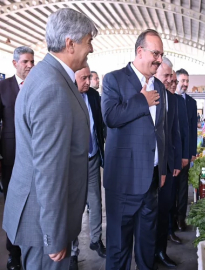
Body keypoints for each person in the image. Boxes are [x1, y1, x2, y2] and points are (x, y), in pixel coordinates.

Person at [2, 8, 97, 270]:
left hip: (44, 215)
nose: (91, 49)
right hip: (45, 222)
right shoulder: (52, 88)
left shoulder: (49, 77)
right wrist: (54, 237)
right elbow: (49, 170)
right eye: (88, 41)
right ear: (70, 43)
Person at [101, 29, 167, 270]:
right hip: (123, 182)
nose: (159, 59)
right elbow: (110, 117)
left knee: (147, 246)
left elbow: (161, 130)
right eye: (156, 53)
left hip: (150, 180)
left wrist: (162, 168)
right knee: (119, 248)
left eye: (161, 54)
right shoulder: (113, 79)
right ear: (140, 51)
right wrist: (142, 101)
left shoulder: (159, 85)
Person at [0, 46, 34, 270]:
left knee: (32, 206)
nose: (30, 65)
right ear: (14, 64)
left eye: (32, 61)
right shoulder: (3, 87)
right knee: (13, 206)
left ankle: (31, 247)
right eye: (25, 62)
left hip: (35, 159)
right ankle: (13, 252)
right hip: (11, 159)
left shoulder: (38, 86)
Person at [70, 66, 106, 270]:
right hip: (73, 162)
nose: (88, 81)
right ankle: (73, 251)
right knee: (75, 206)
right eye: (83, 78)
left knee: (95, 201)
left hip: (92, 158)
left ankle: (96, 240)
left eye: (88, 77)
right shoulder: (67, 94)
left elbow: (99, 125)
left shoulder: (93, 95)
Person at [154, 57, 182, 268]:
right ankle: (147, 254)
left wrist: (174, 164)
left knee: (164, 211)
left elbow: (174, 134)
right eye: (166, 75)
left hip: (166, 166)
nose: (170, 79)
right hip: (148, 166)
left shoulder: (171, 99)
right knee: (148, 215)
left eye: (171, 75)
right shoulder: (146, 96)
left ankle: (161, 251)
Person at [175, 68, 197, 231]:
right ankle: (170, 221)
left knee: (183, 189)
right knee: (171, 189)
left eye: (187, 81)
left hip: (185, 154)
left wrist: (192, 153)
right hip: (172, 152)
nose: (185, 84)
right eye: (182, 81)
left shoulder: (191, 103)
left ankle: (181, 219)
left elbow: (192, 131)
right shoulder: (171, 99)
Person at [168, 70, 186, 242]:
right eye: (171, 80)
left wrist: (183, 156)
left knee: (173, 193)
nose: (173, 84)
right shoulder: (157, 97)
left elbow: (182, 132)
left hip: (174, 156)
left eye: (175, 81)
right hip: (162, 158)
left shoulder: (178, 101)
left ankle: (171, 227)